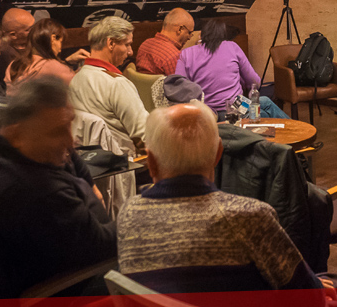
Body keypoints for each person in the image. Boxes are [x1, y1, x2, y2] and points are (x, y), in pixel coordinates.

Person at [117, 103, 320, 290]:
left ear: (150, 161)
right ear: (218, 154)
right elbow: (308, 296)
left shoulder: (128, 215)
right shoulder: (251, 218)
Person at [0, 76, 116, 295]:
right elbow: (101, 247)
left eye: (69, 123)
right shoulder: (35, 192)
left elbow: (70, 155)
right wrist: (136, 219)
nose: (71, 141)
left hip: (44, 253)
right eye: (57, 132)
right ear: (17, 135)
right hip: (57, 286)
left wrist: (88, 185)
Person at [175, 18, 287, 120]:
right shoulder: (232, 47)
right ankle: (298, 132)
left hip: (205, 113)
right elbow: (255, 81)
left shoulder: (185, 54)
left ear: (201, 35)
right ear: (224, 35)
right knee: (264, 106)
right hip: (235, 107)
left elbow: (180, 89)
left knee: (264, 104)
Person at [68, 16, 148, 153]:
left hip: (88, 166)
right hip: (125, 166)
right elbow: (147, 135)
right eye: (127, 44)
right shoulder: (117, 84)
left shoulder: (75, 79)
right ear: (111, 43)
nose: (130, 52)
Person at [5, 18, 89, 95]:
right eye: (60, 42)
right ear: (53, 38)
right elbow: (78, 89)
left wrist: (67, 62)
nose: (60, 49)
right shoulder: (52, 66)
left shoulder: (14, 64)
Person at [135, 8, 195, 76]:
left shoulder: (145, 44)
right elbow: (182, 85)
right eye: (189, 33)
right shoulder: (174, 57)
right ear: (180, 29)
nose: (190, 37)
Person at [0, 7, 35, 84]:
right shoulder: (4, 54)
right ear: (13, 35)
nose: (34, 31)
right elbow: (16, 85)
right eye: (28, 29)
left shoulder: (32, 44)